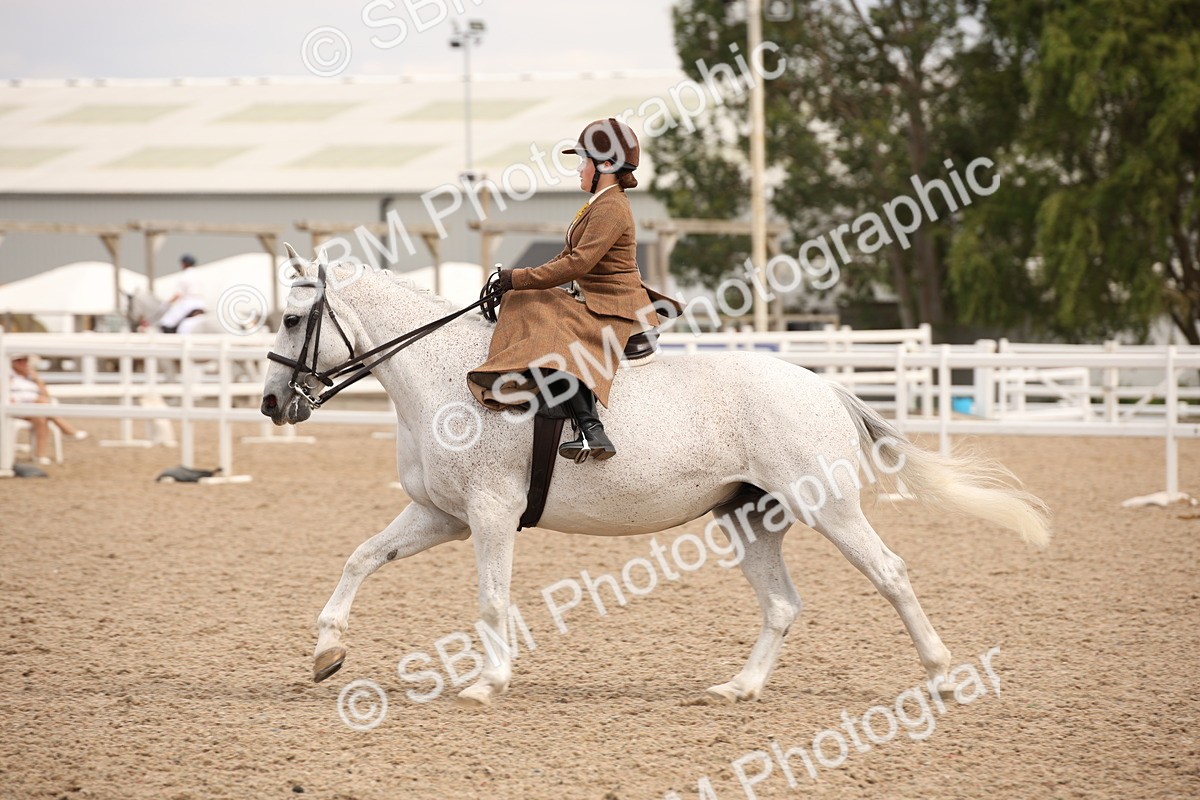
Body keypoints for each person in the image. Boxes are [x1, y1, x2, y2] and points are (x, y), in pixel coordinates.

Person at [468, 118, 682, 462]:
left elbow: (578, 264)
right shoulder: (599, 202)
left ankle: (591, 429)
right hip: (596, 299)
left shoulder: (612, 207)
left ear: (607, 165)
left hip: (613, 307)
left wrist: (518, 278)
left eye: (584, 161)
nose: (580, 169)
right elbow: (566, 256)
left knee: (551, 329)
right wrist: (514, 281)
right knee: (526, 298)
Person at [9, 354, 87, 466]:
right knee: (42, 405)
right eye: (19, 361)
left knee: (41, 414)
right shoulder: (7, 376)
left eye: (25, 360)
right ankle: (66, 430)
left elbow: (46, 395)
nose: (23, 363)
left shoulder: (32, 377)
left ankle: (40, 455)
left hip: (35, 408)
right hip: (18, 407)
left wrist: (37, 380)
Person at [159, 254, 205, 333]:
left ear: (184, 264)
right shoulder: (199, 274)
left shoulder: (184, 275)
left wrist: (166, 303)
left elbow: (178, 294)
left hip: (188, 304)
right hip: (201, 304)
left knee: (166, 322)